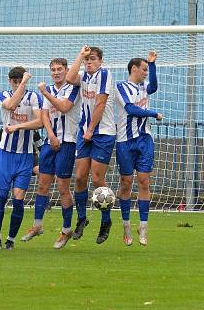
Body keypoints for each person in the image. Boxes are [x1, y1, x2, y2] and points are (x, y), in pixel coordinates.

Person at [19, 58, 81, 249]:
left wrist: (44, 92)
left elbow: (64, 107)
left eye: (59, 69)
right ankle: (37, 225)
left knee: (63, 187)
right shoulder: (51, 89)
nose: (56, 72)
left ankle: (66, 228)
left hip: (68, 143)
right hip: (50, 142)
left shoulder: (73, 87)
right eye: (53, 70)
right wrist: (51, 135)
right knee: (42, 185)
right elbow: (45, 114)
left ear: (66, 70)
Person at [65, 45, 117, 244]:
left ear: (100, 61)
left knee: (97, 179)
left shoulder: (105, 75)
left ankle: (106, 221)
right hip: (84, 132)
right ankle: (81, 219)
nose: (89, 62)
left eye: (92, 58)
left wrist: (90, 130)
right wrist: (80, 54)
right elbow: (69, 78)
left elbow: (101, 104)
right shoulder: (83, 77)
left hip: (102, 133)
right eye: (87, 59)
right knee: (79, 177)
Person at [0, 67, 43, 250]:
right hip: (5, 154)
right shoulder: (3, 94)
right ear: (9, 80)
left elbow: (39, 122)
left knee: (18, 197)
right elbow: (11, 105)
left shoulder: (34, 97)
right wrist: (23, 83)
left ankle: (11, 240)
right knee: (1, 196)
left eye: (19, 78)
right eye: (13, 78)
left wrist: (18, 127)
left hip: (25, 156)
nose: (16, 80)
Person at [115, 52, 162, 247]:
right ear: (134, 69)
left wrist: (152, 65)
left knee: (144, 180)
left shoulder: (144, 87)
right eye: (143, 69)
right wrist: (153, 113)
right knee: (126, 183)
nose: (145, 73)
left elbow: (154, 86)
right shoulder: (121, 87)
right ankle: (126, 225)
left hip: (145, 140)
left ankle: (143, 226)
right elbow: (131, 110)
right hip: (125, 141)